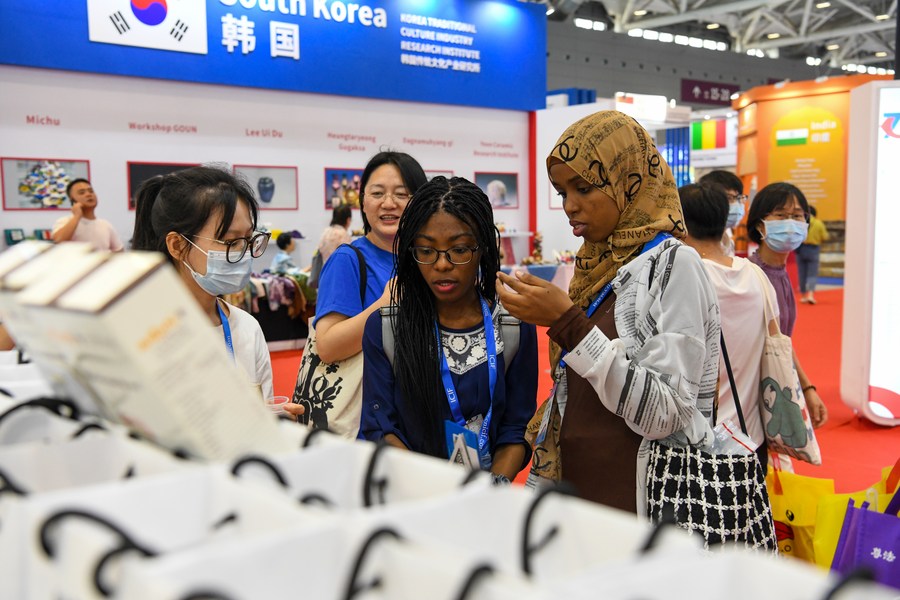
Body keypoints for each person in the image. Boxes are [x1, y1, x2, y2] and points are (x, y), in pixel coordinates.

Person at [497, 110, 721, 514]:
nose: (570, 206)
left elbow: (665, 413)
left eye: (583, 188)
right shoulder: (594, 266)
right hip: (580, 495)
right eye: (563, 192)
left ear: (628, 179)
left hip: (643, 503)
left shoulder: (674, 265)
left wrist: (569, 324)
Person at [360, 176, 538, 481]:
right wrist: (433, 489)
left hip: (485, 505)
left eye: (458, 250)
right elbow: (380, 427)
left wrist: (488, 490)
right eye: (426, 251)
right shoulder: (387, 329)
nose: (442, 265)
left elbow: (516, 428)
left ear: (482, 248)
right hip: (411, 496)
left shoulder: (514, 325)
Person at [283, 151, 427, 426]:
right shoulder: (348, 259)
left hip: (417, 414)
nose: (388, 203)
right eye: (377, 193)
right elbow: (327, 346)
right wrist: (383, 305)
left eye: (402, 194)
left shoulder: (426, 259)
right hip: (368, 423)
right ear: (362, 201)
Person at [131, 166, 274, 401]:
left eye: (248, 239)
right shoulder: (144, 333)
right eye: (229, 242)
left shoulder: (247, 328)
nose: (244, 252)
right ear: (177, 245)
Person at [680, 182, 780, 470]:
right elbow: (777, 342)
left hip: (700, 442)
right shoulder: (756, 275)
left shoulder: (688, 279)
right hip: (751, 438)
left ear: (678, 223)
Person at [747, 182, 828, 428]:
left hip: (775, 384)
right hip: (753, 393)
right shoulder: (751, 274)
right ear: (761, 224)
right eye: (781, 215)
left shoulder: (780, 272)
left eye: (797, 216)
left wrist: (806, 386)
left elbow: (781, 340)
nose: (791, 223)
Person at [51, 179, 124, 252]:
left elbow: (119, 251)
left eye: (91, 191)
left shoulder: (106, 225)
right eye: (82, 192)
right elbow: (59, 241)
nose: (89, 194)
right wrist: (77, 216)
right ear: (72, 199)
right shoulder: (64, 221)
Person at [699, 170, 747, 257]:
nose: (736, 204)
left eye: (738, 198)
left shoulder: (728, 239)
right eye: (729, 198)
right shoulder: (696, 239)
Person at [797, 205, 829, 305]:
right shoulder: (819, 223)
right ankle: (810, 295)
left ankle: (803, 296)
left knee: (802, 273)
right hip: (813, 249)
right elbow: (825, 236)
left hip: (801, 248)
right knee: (812, 273)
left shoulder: (800, 222)